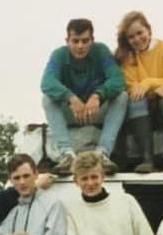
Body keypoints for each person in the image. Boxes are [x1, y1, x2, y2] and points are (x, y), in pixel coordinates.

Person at [41, 18, 128, 173]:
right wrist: (70, 98)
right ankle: (67, 154)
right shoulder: (59, 55)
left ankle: (102, 153)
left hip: (95, 111)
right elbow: (47, 82)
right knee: (47, 99)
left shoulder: (101, 51)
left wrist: (98, 95)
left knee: (122, 96)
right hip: (72, 112)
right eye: (75, 41)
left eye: (85, 41)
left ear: (92, 40)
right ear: (67, 41)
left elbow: (118, 80)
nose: (80, 46)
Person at [116, 11, 163, 174]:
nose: (137, 39)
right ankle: (147, 159)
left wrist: (147, 83)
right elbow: (131, 87)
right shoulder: (125, 57)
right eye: (131, 37)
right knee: (136, 99)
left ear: (149, 30)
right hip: (139, 115)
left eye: (140, 33)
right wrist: (155, 87)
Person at [64, 151, 153, 235]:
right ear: (76, 181)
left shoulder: (127, 201)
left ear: (103, 176)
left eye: (94, 177)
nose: (90, 183)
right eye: (84, 178)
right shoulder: (71, 210)